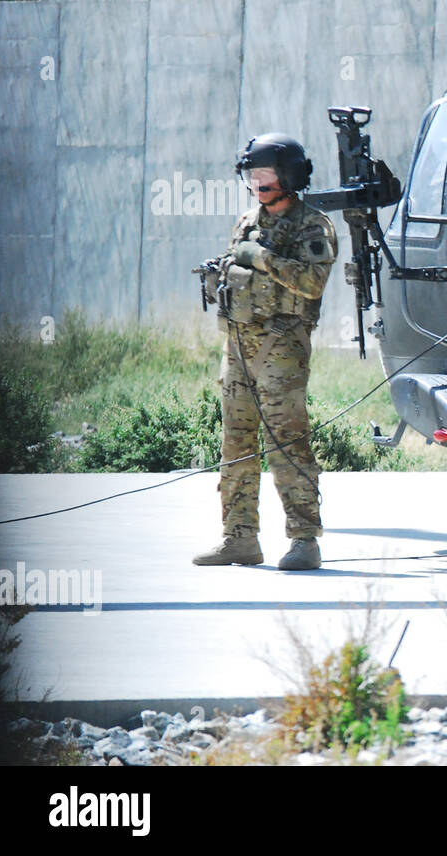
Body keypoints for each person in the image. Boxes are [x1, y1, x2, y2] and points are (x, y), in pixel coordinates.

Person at [192, 133, 338, 571]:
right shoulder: (247, 221)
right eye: (251, 174)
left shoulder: (313, 225)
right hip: (238, 346)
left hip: (281, 349)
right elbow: (241, 263)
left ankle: (305, 539)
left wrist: (260, 259)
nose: (257, 182)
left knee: (286, 442)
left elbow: (312, 282)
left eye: (266, 173)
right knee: (236, 441)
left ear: (289, 176)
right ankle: (239, 538)